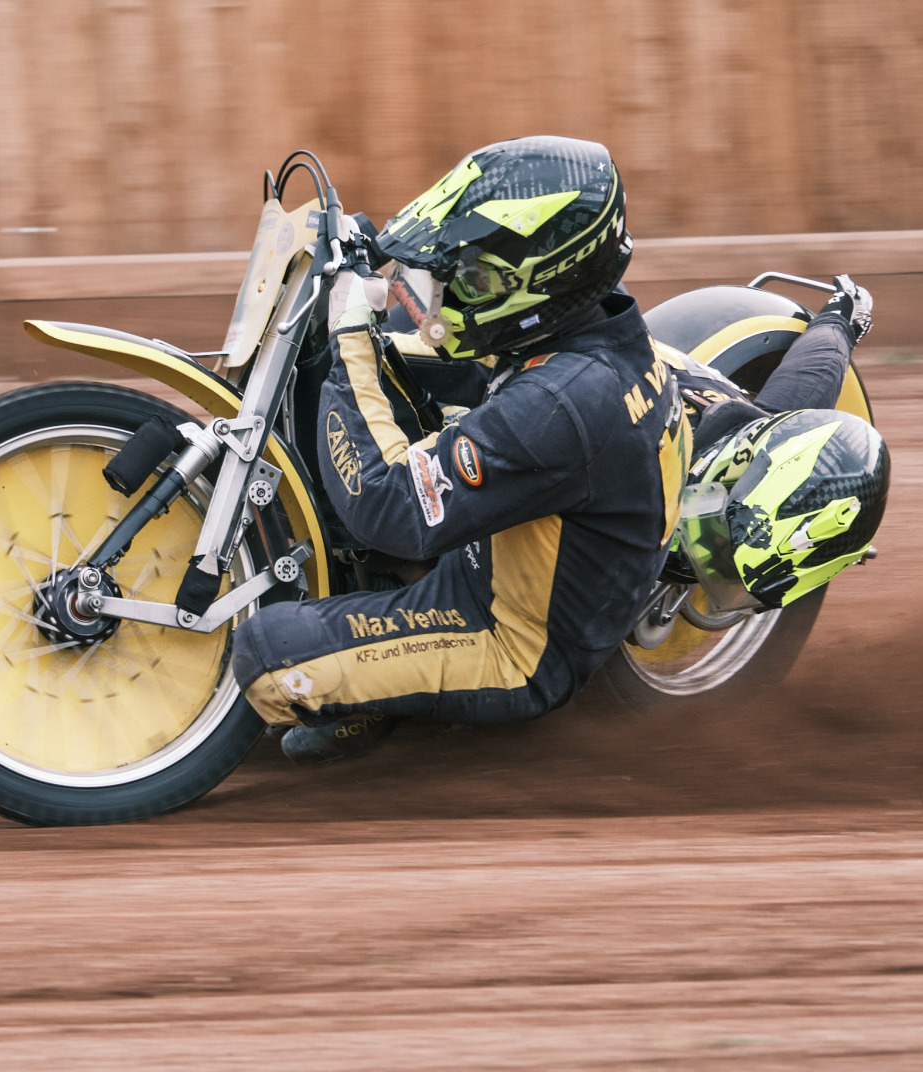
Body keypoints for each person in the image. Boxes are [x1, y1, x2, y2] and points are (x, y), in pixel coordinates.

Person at [230, 136, 883, 764]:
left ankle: (395, 702)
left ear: (546, 283)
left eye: (475, 276)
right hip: (512, 533)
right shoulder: (620, 352)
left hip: (507, 639)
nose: (458, 286)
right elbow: (793, 397)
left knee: (267, 654)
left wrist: (350, 334)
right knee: (399, 351)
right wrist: (836, 323)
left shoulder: (563, 403)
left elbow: (386, 506)